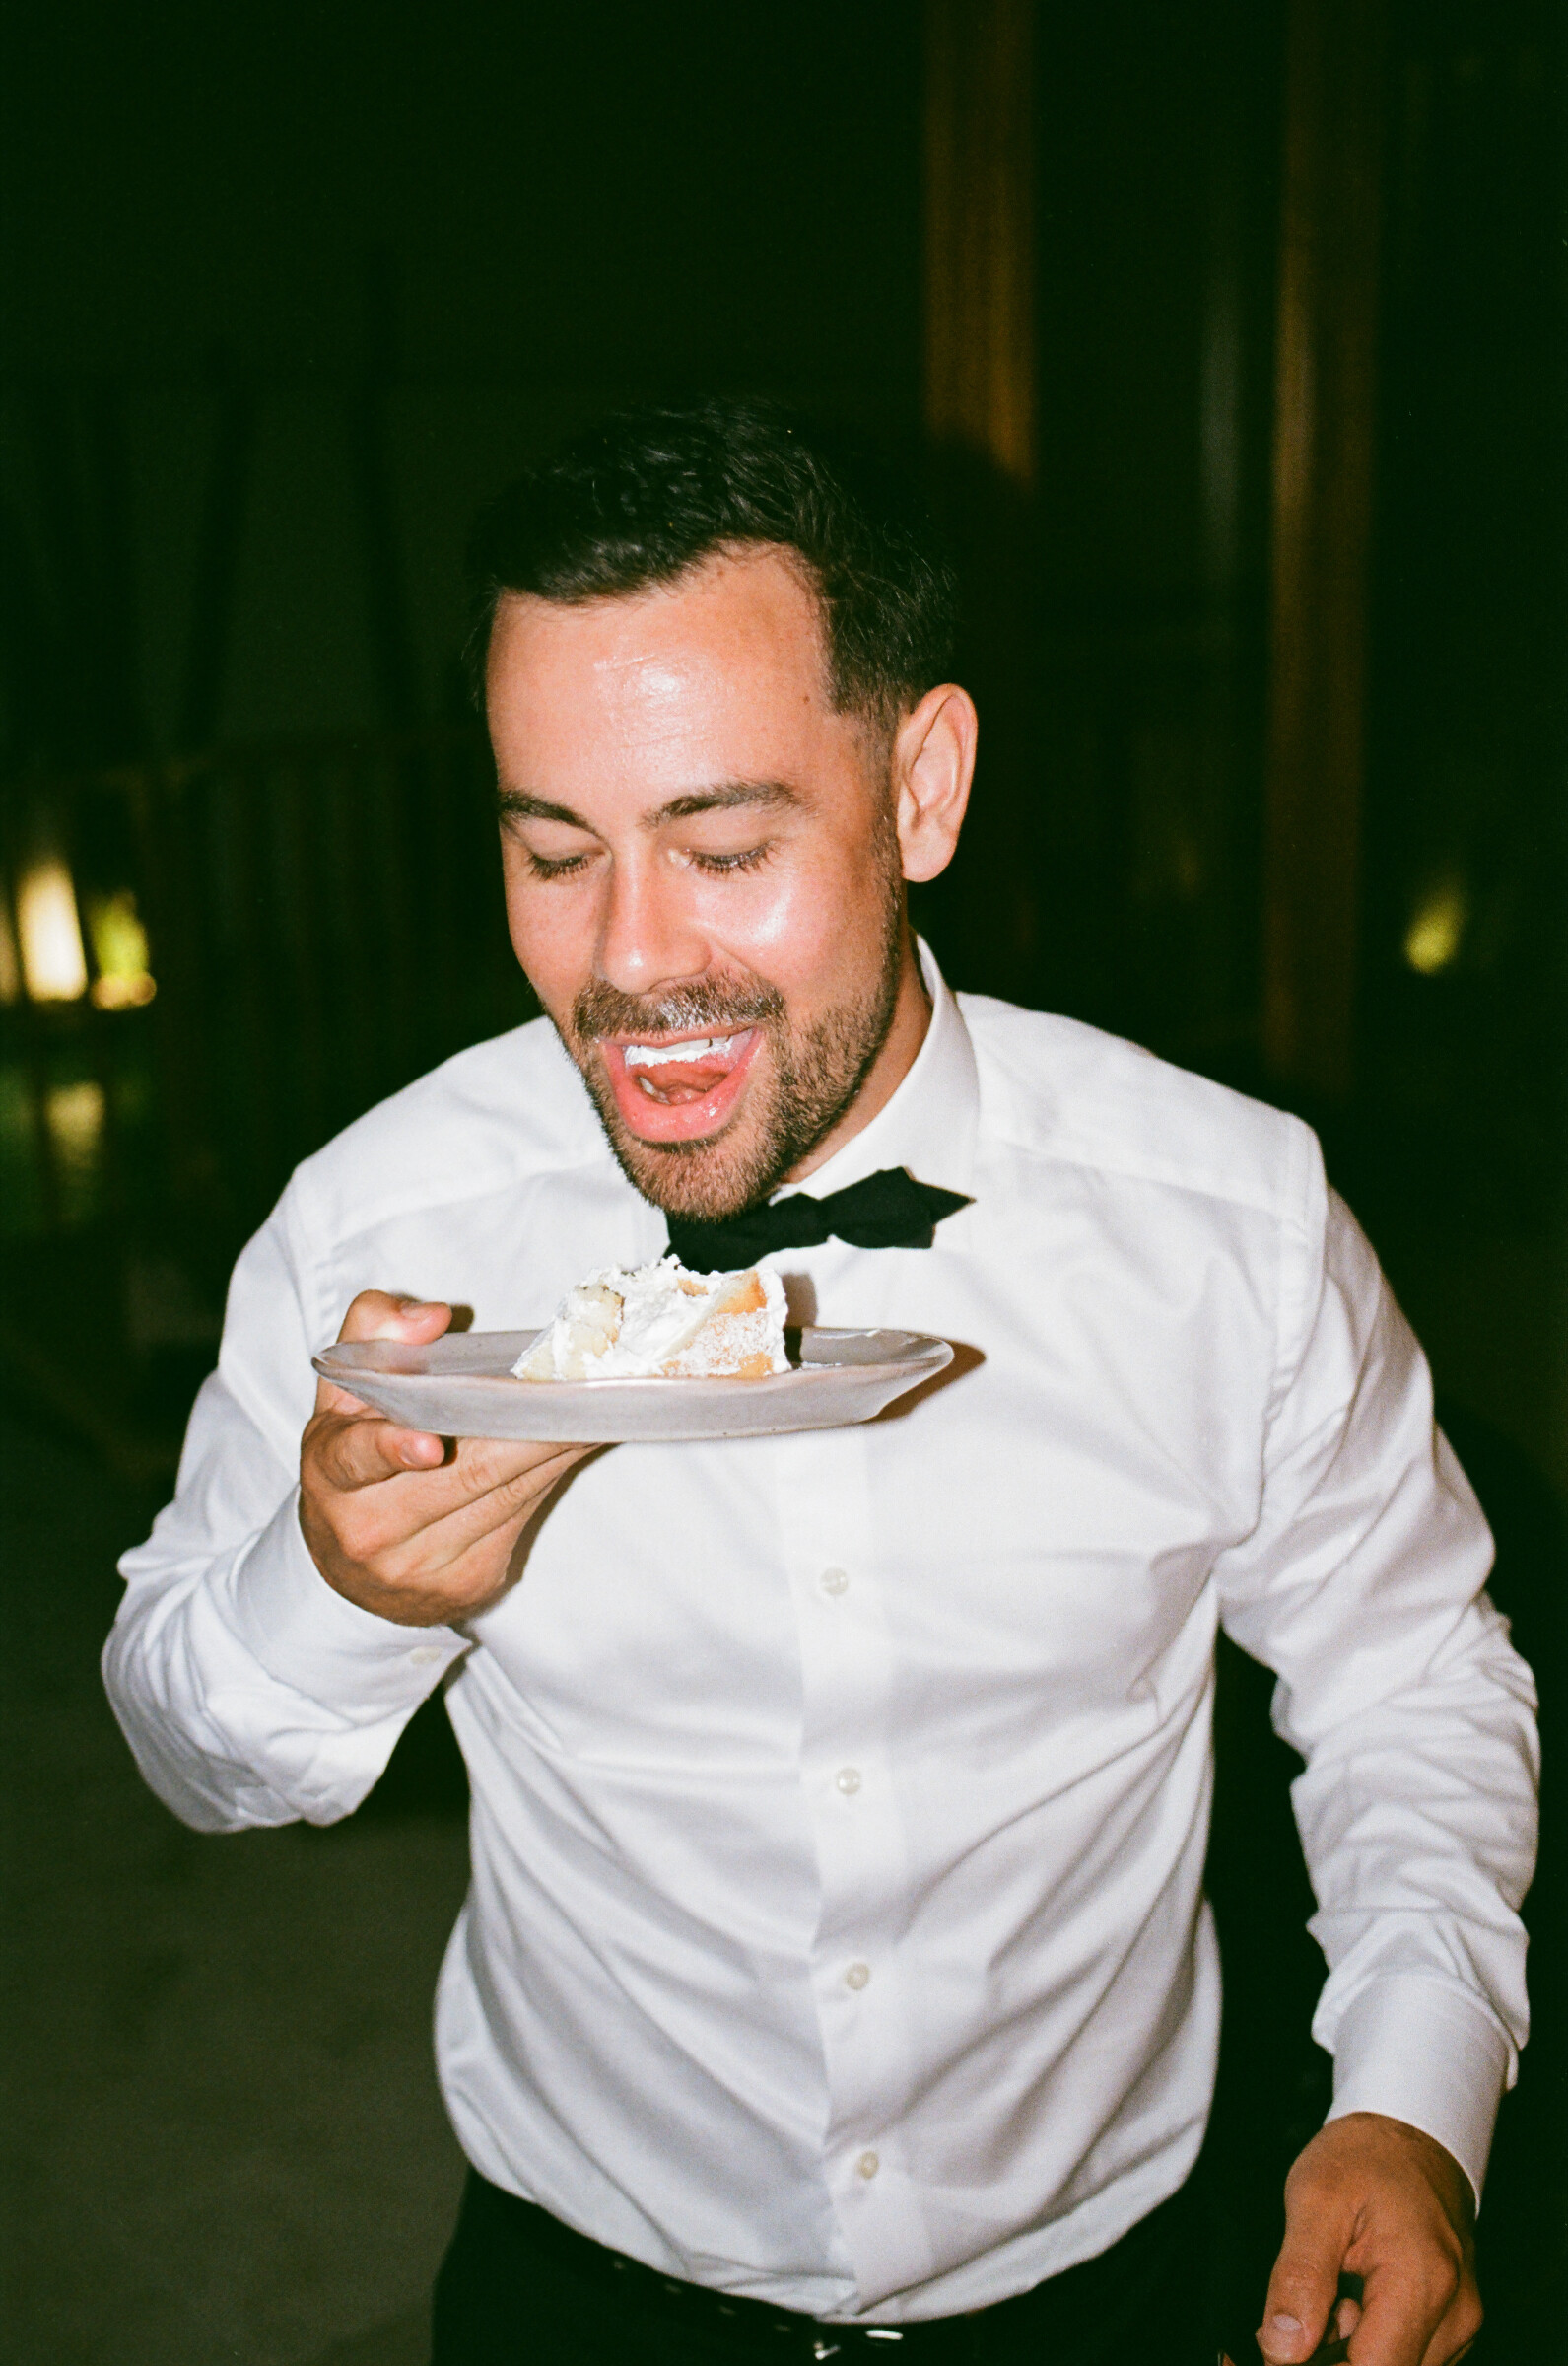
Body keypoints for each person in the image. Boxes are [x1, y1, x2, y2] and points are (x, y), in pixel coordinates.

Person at [103, 402, 1536, 2366]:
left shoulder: (1230, 1221)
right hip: (583, 2296)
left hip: (1114, 2288)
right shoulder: (383, 1222)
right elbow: (184, 1745)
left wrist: (1412, 2101)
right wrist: (339, 1589)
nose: (630, 963)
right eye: (553, 852)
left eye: (723, 847)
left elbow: (1409, 1670)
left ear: (921, 788)